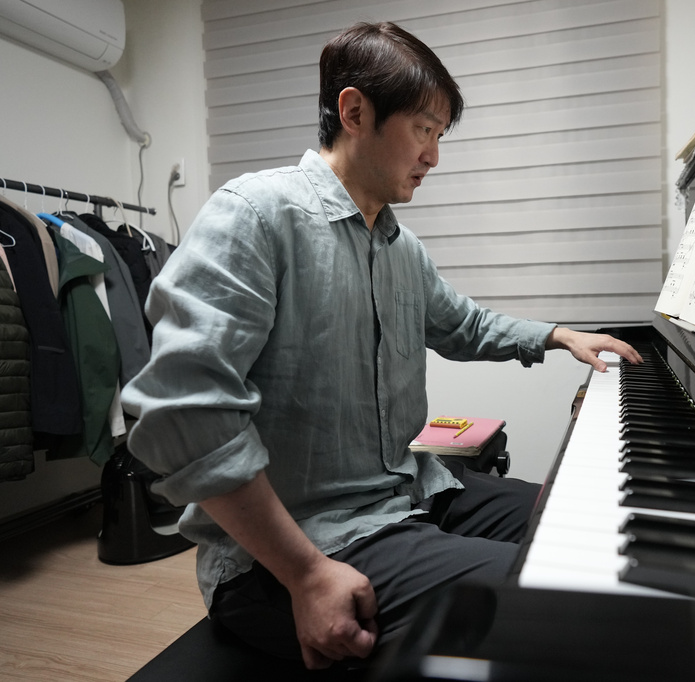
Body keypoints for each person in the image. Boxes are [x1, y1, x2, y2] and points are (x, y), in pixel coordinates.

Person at [122, 21, 641, 671]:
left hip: (409, 493)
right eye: (424, 130)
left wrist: (559, 337)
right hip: (293, 552)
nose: (434, 156)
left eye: (438, 136)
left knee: (596, 526)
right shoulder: (256, 216)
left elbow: (466, 325)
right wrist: (308, 576)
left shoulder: (402, 248)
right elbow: (181, 413)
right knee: (573, 600)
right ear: (355, 111)